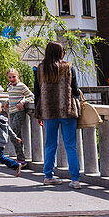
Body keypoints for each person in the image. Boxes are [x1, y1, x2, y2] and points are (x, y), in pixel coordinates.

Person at [34, 41, 83, 188]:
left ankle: (48, 176)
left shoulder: (40, 69)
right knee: (70, 145)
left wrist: (40, 114)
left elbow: (37, 93)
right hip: (67, 110)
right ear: (60, 52)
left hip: (49, 112)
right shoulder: (68, 68)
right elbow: (75, 90)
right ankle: (75, 180)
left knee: (50, 145)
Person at [4, 68, 35, 167]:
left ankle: (21, 158)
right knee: (17, 135)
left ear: (18, 76)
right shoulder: (9, 87)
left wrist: (22, 102)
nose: (12, 79)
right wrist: (7, 102)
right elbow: (11, 97)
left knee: (13, 134)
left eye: (14, 77)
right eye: (10, 77)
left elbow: (31, 96)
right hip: (11, 112)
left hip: (19, 112)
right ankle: (20, 159)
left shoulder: (21, 86)